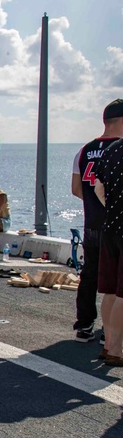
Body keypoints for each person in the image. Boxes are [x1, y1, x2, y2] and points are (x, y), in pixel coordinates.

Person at [71, 100, 123, 343]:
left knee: (89, 276)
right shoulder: (118, 150)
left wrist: (93, 203)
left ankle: (84, 325)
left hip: (91, 223)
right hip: (116, 226)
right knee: (115, 283)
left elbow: (76, 188)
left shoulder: (84, 150)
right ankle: (109, 332)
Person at [95, 135, 123, 364]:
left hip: (111, 227)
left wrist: (113, 209)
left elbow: (98, 189)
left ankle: (107, 345)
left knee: (111, 290)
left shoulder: (112, 149)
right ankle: (115, 350)